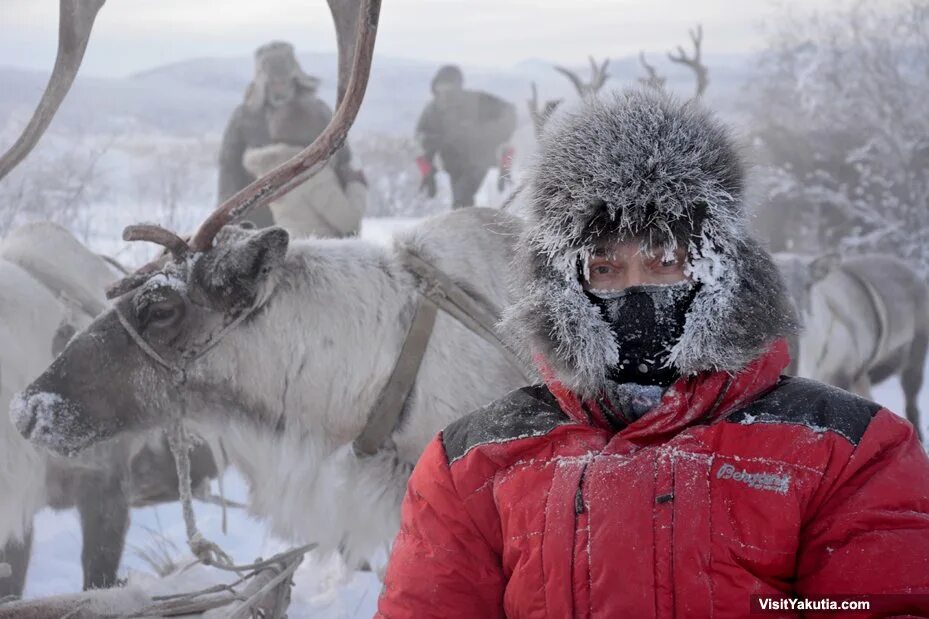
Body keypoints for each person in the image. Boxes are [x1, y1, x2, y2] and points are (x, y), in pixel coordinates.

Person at [377, 89, 929, 617]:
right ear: (563, 287)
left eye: (666, 261)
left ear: (721, 269)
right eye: (604, 267)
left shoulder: (848, 451)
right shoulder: (472, 461)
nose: (635, 289)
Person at [217, 41, 366, 237]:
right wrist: (226, 219)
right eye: (274, 82)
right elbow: (229, 168)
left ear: (294, 78)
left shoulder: (316, 111)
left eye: (284, 81)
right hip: (256, 219)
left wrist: (348, 189)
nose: (279, 87)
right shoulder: (245, 117)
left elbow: (342, 156)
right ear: (263, 82)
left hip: (317, 214)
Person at [415, 65, 517, 208]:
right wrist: (427, 172)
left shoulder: (477, 101)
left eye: (450, 84)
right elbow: (422, 141)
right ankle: (466, 218)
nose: (446, 90)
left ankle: (464, 218)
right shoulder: (433, 110)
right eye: (442, 85)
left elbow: (509, 113)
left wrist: (490, 136)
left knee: (461, 201)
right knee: (461, 202)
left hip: (478, 160)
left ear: (459, 84)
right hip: (453, 164)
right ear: (436, 86)